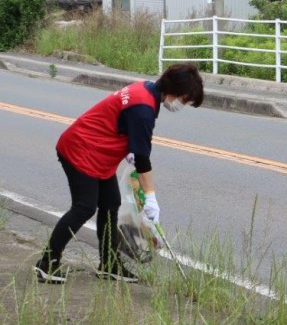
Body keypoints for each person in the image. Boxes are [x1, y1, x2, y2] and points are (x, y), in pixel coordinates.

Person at [34, 63, 205, 284]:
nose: (182, 105)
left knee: (111, 203)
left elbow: (122, 124)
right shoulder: (143, 108)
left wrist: (130, 151)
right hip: (81, 149)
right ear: (174, 90)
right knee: (85, 207)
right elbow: (143, 159)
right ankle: (47, 263)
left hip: (99, 155)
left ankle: (109, 264)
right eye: (184, 99)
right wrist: (150, 197)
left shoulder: (146, 89)